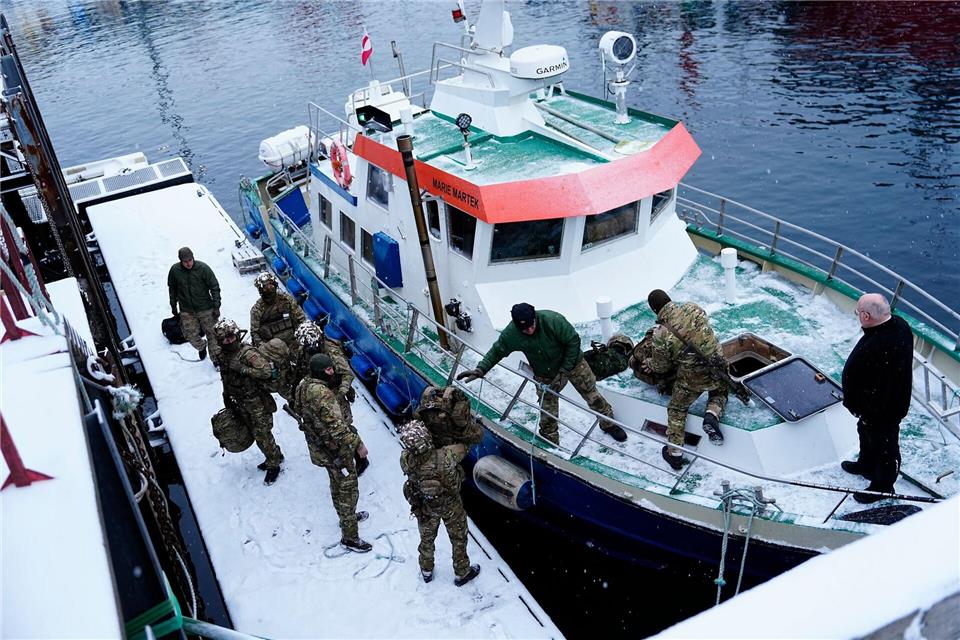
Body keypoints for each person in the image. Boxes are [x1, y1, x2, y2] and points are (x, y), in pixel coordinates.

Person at [457, 303, 627, 446]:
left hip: (574, 364)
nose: (529, 330)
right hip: (544, 373)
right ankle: (550, 442)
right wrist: (481, 369)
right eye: (524, 329)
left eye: (531, 325)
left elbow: (573, 341)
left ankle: (608, 424)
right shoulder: (512, 334)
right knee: (547, 410)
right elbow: (497, 351)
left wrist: (564, 371)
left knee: (592, 396)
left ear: (535, 318)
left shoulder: (553, 320)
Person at [293, 353, 371, 552]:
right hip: (335, 450)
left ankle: (346, 518)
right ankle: (350, 537)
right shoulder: (322, 393)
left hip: (321, 448)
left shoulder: (304, 385)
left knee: (336, 484)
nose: (332, 372)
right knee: (348, 489)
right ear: (320, 371)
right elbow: (337, 427)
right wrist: (358, 445)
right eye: (328, 369)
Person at [642, 289, 727, 471]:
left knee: (677, 409)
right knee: (720, 390)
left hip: (693, 378)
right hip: (718, 365)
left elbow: (661, 367)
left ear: (655, 310)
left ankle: (675, 454)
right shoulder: (692, 308)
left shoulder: (661, 334)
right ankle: (712, 414)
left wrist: (649, 362)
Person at [841, 293, 913, 504]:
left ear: (866, 316)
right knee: (866, 432)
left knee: (885, 445)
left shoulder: (877, 345)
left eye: (858, 313)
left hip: (882, 408)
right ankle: (866, 464)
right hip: (883, 402)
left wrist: (856, 405)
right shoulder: (900, 325)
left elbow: (866, 379)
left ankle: (883, 486)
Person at [398, 420, 480, 587]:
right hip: (450, 505)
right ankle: (462, 571)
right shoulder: (446, 456)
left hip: (425, 505)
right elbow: (465, 447)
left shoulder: (406, 460)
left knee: (427, 538)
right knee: (458, 538)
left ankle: (426, 569)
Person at [291, 322, 368, 474]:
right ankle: (339, 452)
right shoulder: (304, 350)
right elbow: (300, 371)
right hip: (317, 391)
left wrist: (339, 394)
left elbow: (347, 374)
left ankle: (360, 458)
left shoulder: (331, 350)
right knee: (326, 428)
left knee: (344, 425)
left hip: (335, 390)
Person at [215, 318, 284, 484]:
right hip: (239, 400)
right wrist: (226, 395)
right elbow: (225, 376)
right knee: (254, 431)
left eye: (232, 337)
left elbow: (266, 371)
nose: (229, 341)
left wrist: (242, 369)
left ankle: (274, 463)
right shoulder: (223, 355)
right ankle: (274, 454)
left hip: (255, 402)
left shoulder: (247, 353)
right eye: (225, 339)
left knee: (262, 434)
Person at [168, 247, 221, 365]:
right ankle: (202, 347)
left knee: (213, 334)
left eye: (190, 260)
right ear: (181, 261)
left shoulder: (203, 268)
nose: (188, 264)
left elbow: (214, 286)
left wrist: (216, 306)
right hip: (187, 310)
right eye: (185, 261)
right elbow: (172, 289)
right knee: (189, 335)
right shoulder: (175, 271)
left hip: (205, 307)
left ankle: (216, 359)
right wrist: (173, 305)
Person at [250, 272, 306, 350]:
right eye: (265, 288)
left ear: (275, 285)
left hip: (293, 341)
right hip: (272, 348)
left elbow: (301, 318)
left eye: (271, 286)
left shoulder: (286, 300)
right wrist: (265, 348)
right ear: (261, 290)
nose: (269, 290)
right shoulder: (257, 310)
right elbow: (255, 333)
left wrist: (301, 339)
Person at [415, 385, 484, 448]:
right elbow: (477, 437)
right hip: (447, 443)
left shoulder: (425, 407)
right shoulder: (456, 414)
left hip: (431, 440)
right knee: (465, 447)